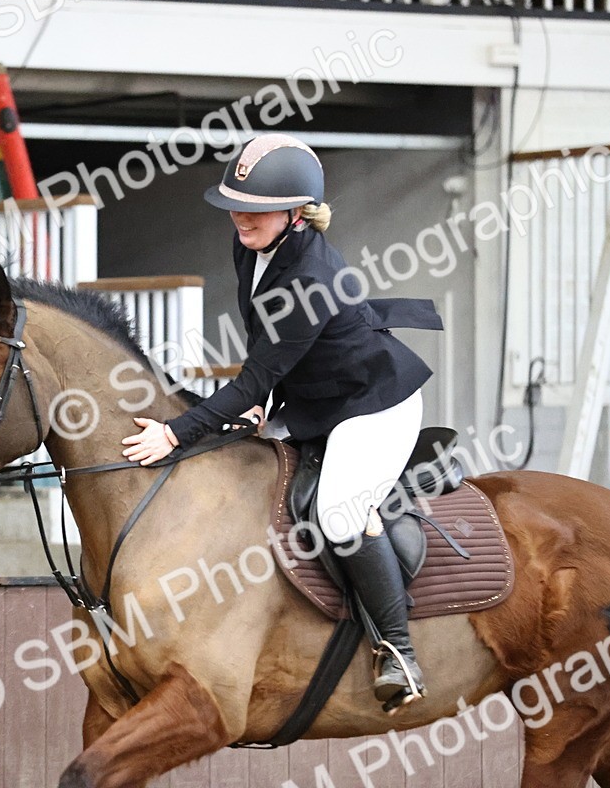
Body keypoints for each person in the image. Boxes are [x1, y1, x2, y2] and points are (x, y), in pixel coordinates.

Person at [120, 133, 443, 711]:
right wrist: (262, 405)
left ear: (295, 215)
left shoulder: (311, 278)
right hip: (318, 398)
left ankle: (398, 652)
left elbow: (252, 377)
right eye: (235, 205)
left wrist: (174, 432)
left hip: (374, 405)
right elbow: (261, 347)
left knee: (339, 515)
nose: (240, 217)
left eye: (256, 209)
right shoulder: (250, 246)